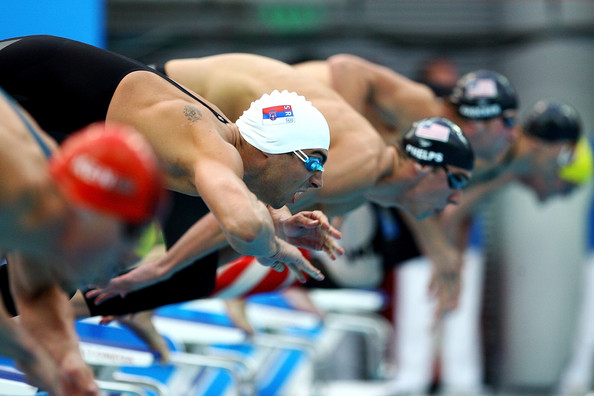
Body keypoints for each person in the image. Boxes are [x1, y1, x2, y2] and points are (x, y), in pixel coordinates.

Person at [82, 53, 474, 313]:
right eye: (456, 182)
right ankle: (55, 320)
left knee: (177, 272)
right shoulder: (360, 167)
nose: (457, 199)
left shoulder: (357, 181)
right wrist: (163, 272)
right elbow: (239, 215)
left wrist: (171, 282)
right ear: (425, 169)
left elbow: (247, 229)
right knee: (158, 269)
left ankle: (78, 309)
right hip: (167, 97)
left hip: (196, 113)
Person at [0, 35, 341, 317]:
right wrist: (274, 250)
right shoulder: (211, 148)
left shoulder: (218, 141)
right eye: (313, 163)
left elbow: (243, 200)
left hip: (33, 99)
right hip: (18, 84)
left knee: (54, 260)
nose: (319, 181)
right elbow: (244, 226)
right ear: (272, 149)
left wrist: (280, 221)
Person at [0, 86, 167, 395]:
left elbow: (36, 291)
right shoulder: (13, 189)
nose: (103, 278)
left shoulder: (53, 195)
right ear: (96, 219)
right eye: (112, 260)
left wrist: (66, 357)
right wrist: (28, 354)